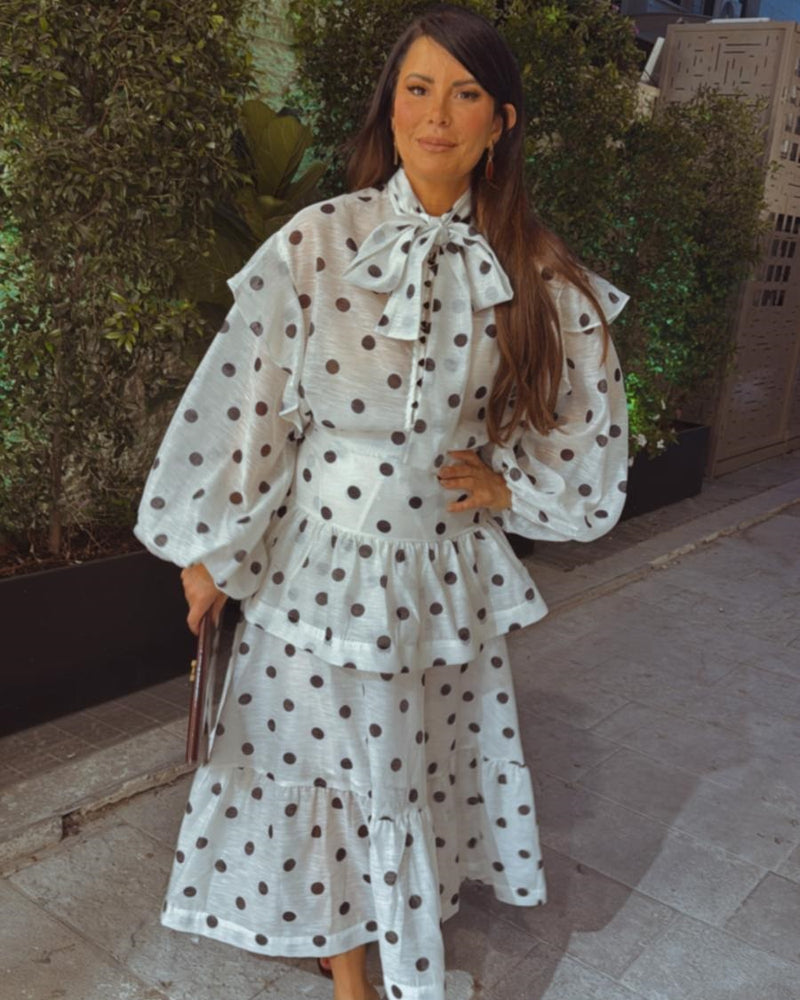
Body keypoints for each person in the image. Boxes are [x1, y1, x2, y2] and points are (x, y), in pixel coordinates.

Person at [134, 5, 629, 999]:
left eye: (465, 93)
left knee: (403, 774)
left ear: (501, 122)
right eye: (417, 88)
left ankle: (380, 950)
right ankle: (355, 973)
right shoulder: (319, 240)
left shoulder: (534, 269)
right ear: (389, 106)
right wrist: (208, 551)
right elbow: (247, 405)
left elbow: (586, 422)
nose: (436, 115)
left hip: (436, 579)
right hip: (311, 572)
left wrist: (512, 485)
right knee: (320, 772)